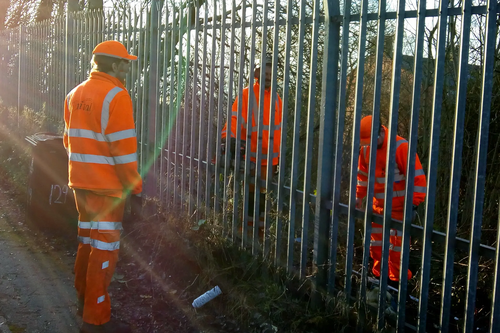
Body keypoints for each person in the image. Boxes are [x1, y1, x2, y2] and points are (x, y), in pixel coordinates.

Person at [63, 40, 142, 333]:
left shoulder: (75, 93)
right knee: (105, 249)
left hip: (79, 183)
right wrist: (134, 189)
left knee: (87, 241)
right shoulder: (117, 95)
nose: (128, 67)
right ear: (112, 64)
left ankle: (83, 297)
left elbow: (68, 141)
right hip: (107, 189)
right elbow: (124, 152)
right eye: (125, 63)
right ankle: (95, 319)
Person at [356, 115, 426, 282]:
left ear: (381, 131)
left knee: (397, 255)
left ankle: (396, 289)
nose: (370, 145)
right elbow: (362, 177)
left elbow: (418, 179)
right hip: (377, 211)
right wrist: (358, 196)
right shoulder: (365, 150)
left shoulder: (400, 147)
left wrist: (413, 205)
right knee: (377, 250)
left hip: (399, 213)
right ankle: (379, 284)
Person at [221, 53, 283, 231]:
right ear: (257, 73)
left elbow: (277, 131)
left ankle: (260, 235)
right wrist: (227, 137)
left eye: (272, 71)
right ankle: (247, 235)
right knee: (251, 198)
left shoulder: (276, 98)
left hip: (270, 161)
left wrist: (276, 160)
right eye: (265, 71)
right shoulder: (247, 95)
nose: (269, 75)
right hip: (253, 158)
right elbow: (234, 118)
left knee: (264, 201)